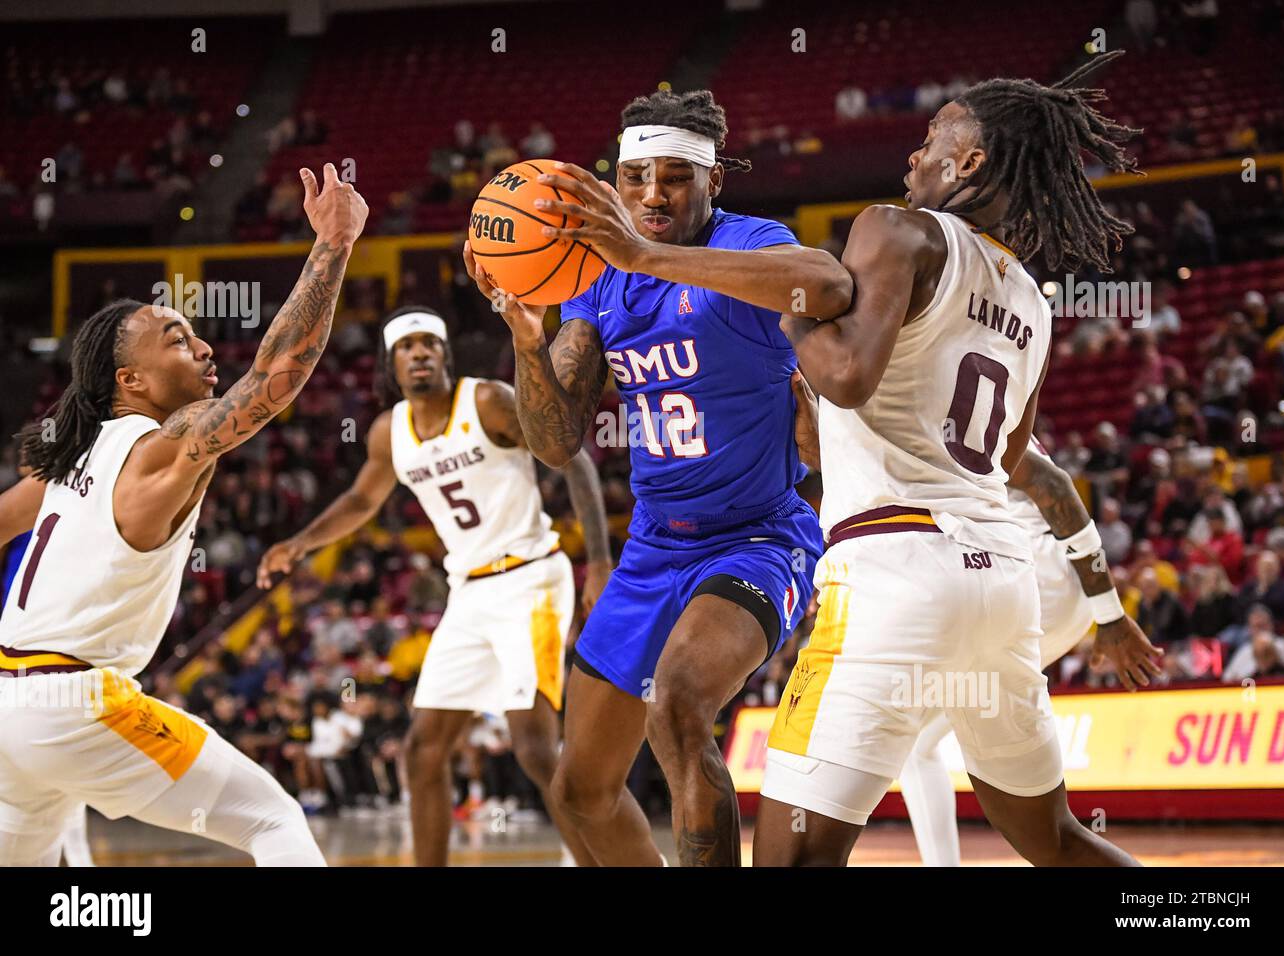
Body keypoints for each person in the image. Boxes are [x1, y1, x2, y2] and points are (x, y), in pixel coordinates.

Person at [758, 51, 1150, 866]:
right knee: (1058, 840)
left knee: (791, 858)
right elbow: (1006, 458)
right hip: (1001, 584)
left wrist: (794, 301)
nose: (912, 154)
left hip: (895, 571)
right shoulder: (1030, 300)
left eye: (931, 137)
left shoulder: (897, 229)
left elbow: (850, 379)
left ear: (968, 161)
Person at [463, 88, 845, 865]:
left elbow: (827, 282)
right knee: (579, 791)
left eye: (675, 176)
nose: (651, 194)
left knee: (677, 708)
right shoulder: (598, 282)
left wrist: (646, 256)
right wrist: (527, 339)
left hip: (759, 539)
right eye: (636, 176)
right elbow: (555, 440)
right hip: (653, 550)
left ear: (713, 182)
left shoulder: (746, 244)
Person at [0, 162, 367, 866]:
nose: (201, 346)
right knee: (272, 820)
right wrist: (334, 244)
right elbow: (274, 377)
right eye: (175, 338)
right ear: (128, 381)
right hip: (77, 706)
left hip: (10, 717)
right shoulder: (158, 447)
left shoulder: (64, 461)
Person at [258, 306, 612, 866]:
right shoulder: (389, 431)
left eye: (429, 344)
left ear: (445, 354)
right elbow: (359, 501)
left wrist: (597, 561)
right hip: (468, 592)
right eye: (406, 347)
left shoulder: (487, 400)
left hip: (531, 581)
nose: (419, 353)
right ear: (391, 363)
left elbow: (572, 459)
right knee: (422, 751)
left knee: (536, 750)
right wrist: (300, 543)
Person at [898, 441, 1161, 866]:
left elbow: (1051, 482)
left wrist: (1110, 615)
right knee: (925, 741)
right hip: (1048, 584)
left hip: (1034, 580)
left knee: (919, 742)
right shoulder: (971, 395)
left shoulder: (952, 404)